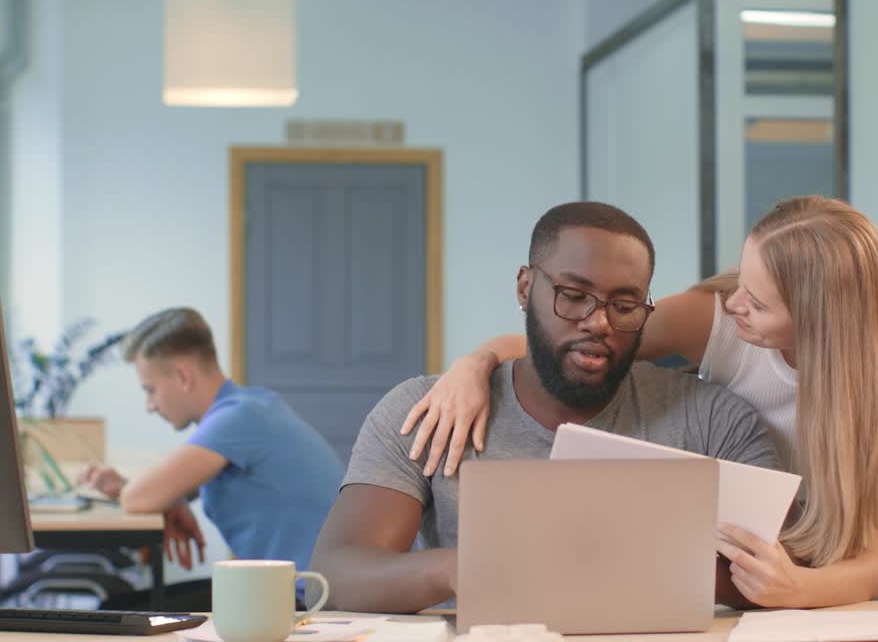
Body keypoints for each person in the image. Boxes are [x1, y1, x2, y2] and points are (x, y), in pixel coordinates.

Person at [401, 195, 878, 609]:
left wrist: (794, 587)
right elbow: (574, 343)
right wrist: (474, 365)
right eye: (743, 279)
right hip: (741, 568)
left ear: (819, 319)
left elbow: (870, 567)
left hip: (834, 581)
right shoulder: (715, 319)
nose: (734, 304)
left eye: (757, 304)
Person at [312, 202, 780, 613]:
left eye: (625, 304)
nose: (598, 322)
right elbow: (338, 574)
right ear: (524, 288)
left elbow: (776, 573)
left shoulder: (715, 418)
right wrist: (458, 570)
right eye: (573, 297)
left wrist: (596, 566)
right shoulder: (425, 411)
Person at [80, 307, 344, 611]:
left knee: (118, 611)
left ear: (182, 376)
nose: (149, 406)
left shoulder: (238, 417)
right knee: (124, 606)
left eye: (150, 390)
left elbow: (137, 499)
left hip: (311, 599)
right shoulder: (249, 408)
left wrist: (163, 496)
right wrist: (171, 499)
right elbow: (156, 492)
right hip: (290, 589)